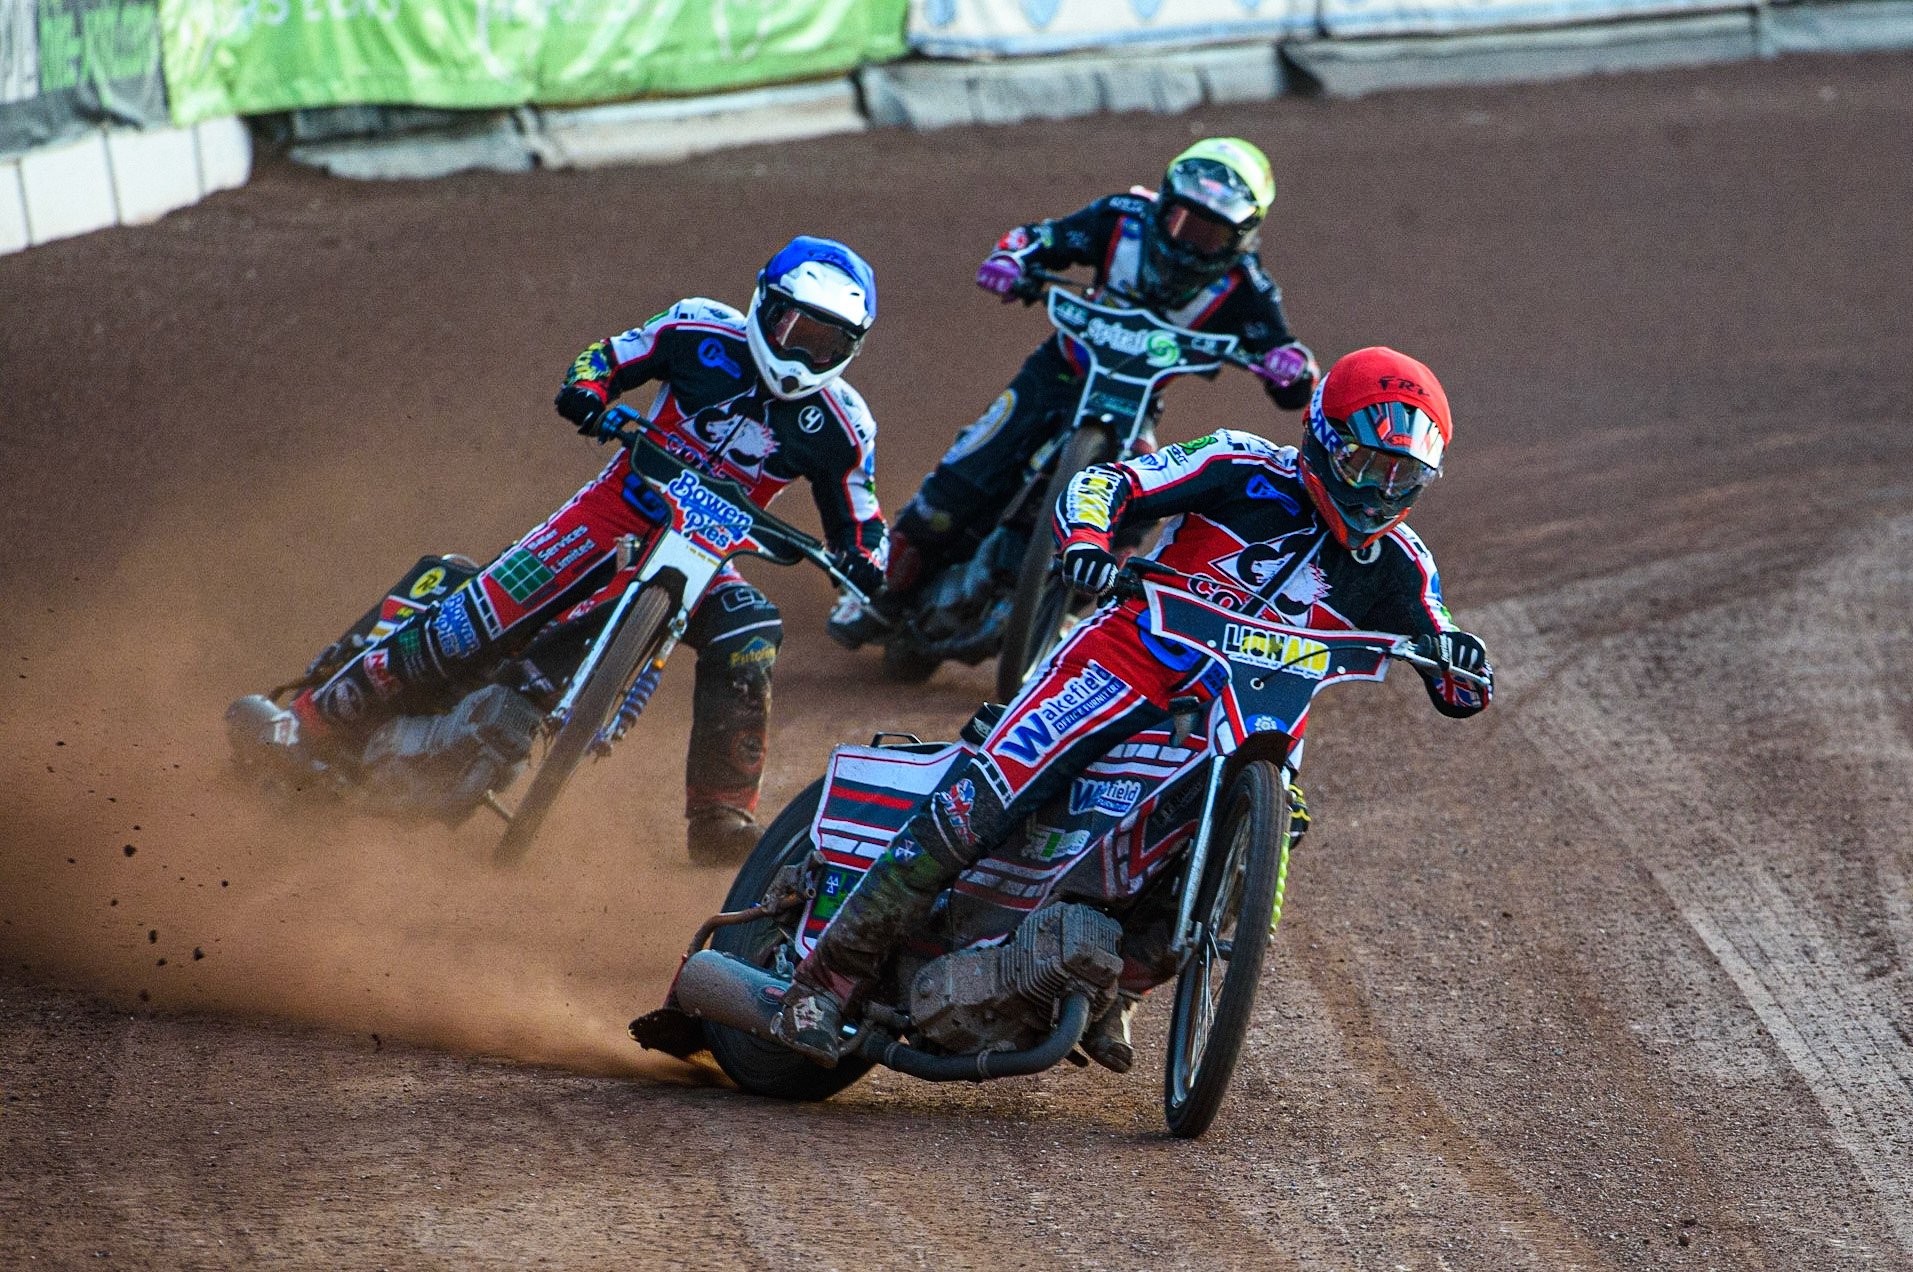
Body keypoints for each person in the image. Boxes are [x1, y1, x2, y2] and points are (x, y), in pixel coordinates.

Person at [777, 347, 1494, 1066]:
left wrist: (1463, 667)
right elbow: (1105, 483)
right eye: (1369, 466)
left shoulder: (1404, 562)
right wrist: (1088, 541)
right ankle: (825, 980)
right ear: (1323, 438)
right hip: (1128, 658)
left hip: (1248, 719)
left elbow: (1446, 648)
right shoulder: (1240, 465)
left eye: (1405, 476)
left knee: (1276, 830)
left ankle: (1118, 988)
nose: (1381, 491)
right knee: (1000, 785)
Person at [246, 236, 889, 865]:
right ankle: (304, 723)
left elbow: (860, 516)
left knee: (752, 628)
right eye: (794, 328)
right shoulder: (699, 329)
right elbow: (606, 357)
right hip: (609, 516)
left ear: (849, 348)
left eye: (826, 341)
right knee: (465, 625)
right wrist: (588, 392)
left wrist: (865, 563)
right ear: (764, 306)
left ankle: (720, 814)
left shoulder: (843, 424)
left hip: (703, 556)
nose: (802, 352)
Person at [831, 137, 1318, 648]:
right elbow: (1041, 238)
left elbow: (1288, 367)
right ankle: (879, 592)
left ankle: (1067, 613)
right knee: (964, 472)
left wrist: (1292, 368)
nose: (1189, 244)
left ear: (1242, 236)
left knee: (1141, 507)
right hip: (1055, 375)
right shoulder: (1121, 217)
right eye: (1180, 222)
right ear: (1162, 203)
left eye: (1210, 234)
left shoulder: (1249, 288)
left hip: (1137, 401)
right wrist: (1012, 260)